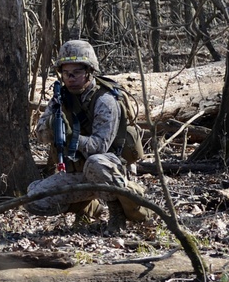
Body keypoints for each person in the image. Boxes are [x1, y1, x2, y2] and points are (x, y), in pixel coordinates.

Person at [25, 40, 148, 231]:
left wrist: (71, 135)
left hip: (112, 170)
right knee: (34, 197)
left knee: (96, 162)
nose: (71, 78)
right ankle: (88, 207)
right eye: (66, 73)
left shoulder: (105, 100)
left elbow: (99, 146)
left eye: (77, 73)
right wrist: (51, 126)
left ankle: (117, 212)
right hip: (79, 173)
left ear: (90, 72)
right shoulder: (61, 98)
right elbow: (40, 136)